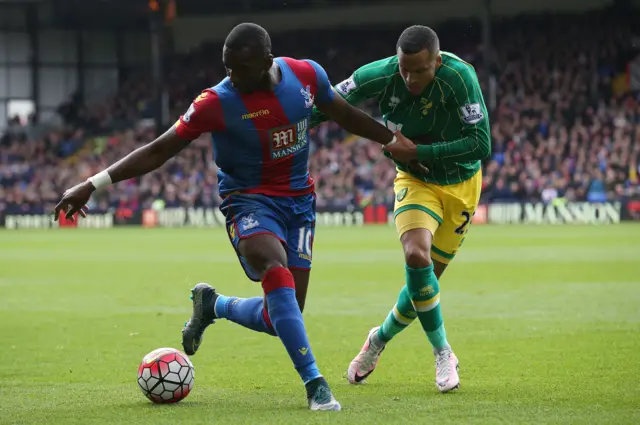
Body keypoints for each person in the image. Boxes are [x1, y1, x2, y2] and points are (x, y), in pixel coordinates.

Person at [54, 23, 416, 411]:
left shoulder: (306, 75)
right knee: (273, 267)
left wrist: (390, 139)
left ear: (266, 60)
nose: (232, 76)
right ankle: (316, 385)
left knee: (283, 316)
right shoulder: (216, 101)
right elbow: (160, 149)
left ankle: (214, 305)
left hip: (299, 202)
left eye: (240, 69)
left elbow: (344, 113)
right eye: (227, 67)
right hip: (247, 201)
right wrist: (93, 183)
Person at [311, 25, 491, 393]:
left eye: (420, 70)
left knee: (423, 288)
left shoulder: (460, 78)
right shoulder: (378, 75)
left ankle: (378, 339)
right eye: (404, 68)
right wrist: (277, 125)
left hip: (461, 185)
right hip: (415, 182)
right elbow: (326, 103)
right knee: (416, 257)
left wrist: (419, 151)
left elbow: (481, 143)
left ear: (437, 62)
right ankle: (443, 351)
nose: (409, 77)